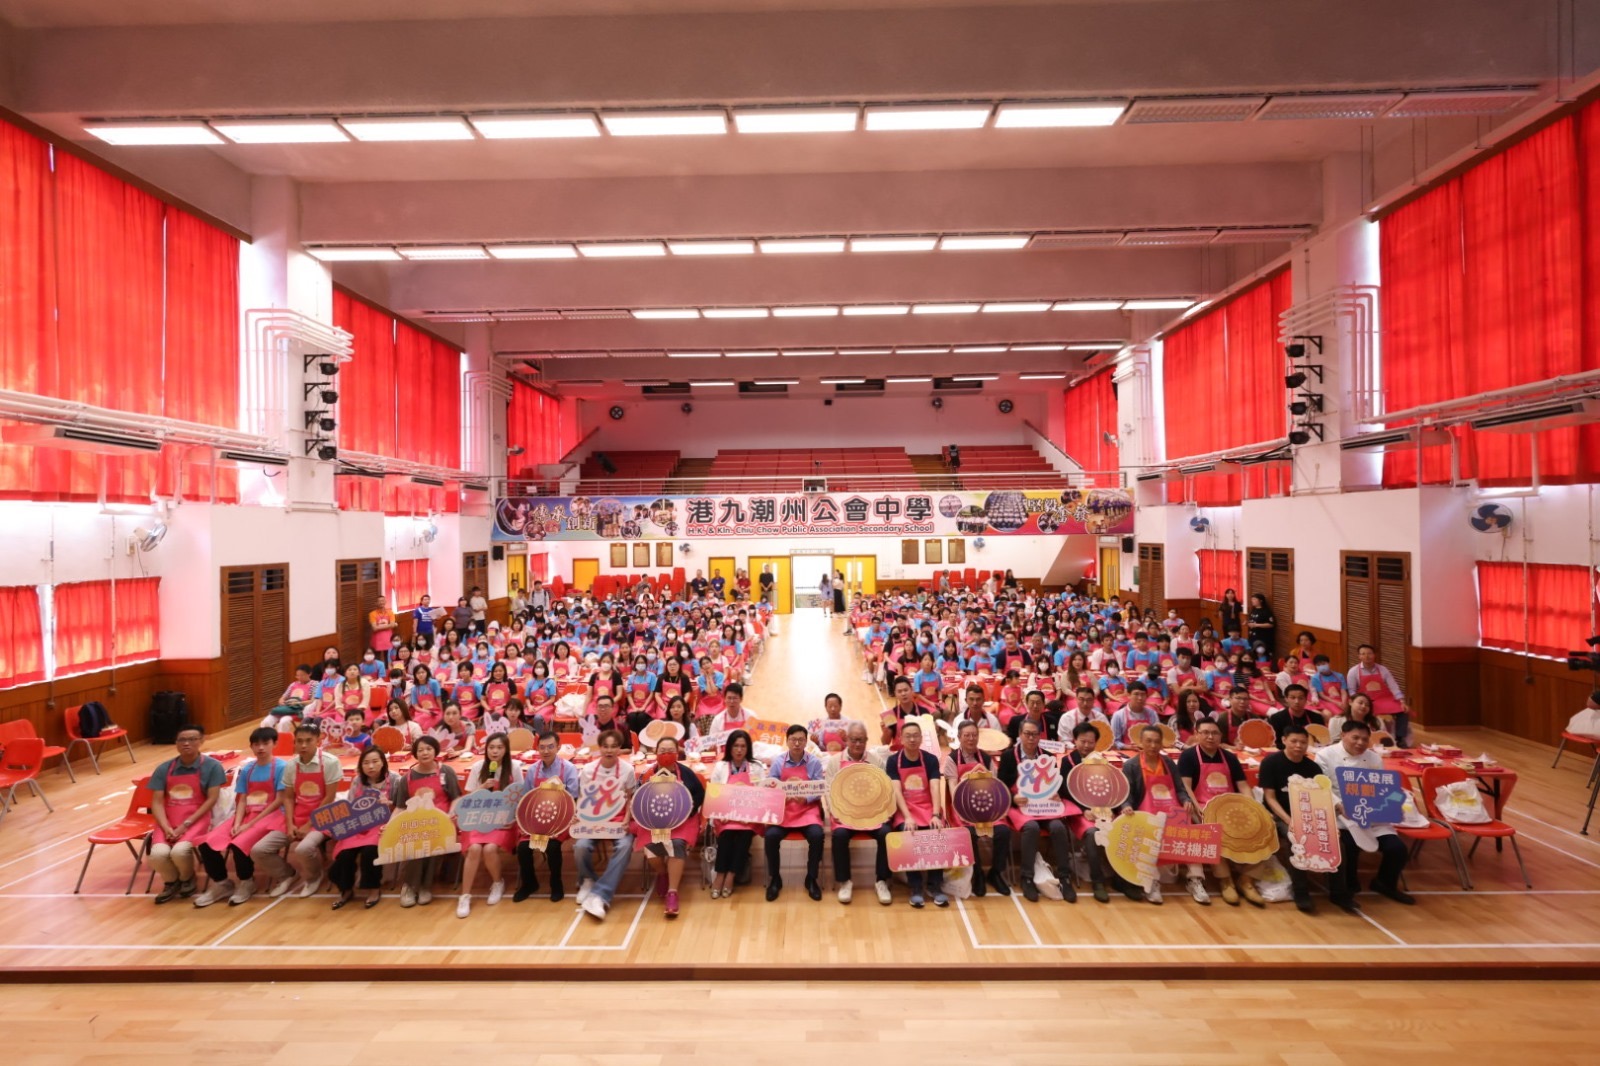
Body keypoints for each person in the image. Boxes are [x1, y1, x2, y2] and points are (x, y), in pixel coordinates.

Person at [1315, 719, 1415, 907]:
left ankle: (1385, 883)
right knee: (1349, 846)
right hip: (1340, 815)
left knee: (1397, 849)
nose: (1360, 743)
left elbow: (1380, 788)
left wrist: (1390, 803)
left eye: (1364, 739)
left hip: (1371, 815)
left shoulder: (1374, 758)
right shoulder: (1325, 755)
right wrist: (1338, 805)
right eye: (1355, 738)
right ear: (1343, 735)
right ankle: (1347, 886)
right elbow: (1321, 786)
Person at [194, 728, 287, 908]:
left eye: (265, 743)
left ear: (274, 744)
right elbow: (242, 799)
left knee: (239, 842)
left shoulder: (282, 767)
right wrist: (237, 822)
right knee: (206, 843)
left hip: (272, 816)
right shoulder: (248, 769)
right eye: (256, 744)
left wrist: (249, 824)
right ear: (251, 746)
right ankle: (221, 883)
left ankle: (246, 882)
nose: (260, 748)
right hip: (247, 814)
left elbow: (279, 800)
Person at [1177, 718, 1263, 907]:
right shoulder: (1189, 756)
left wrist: (1252, 807)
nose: (1210, 737)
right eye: (1205, 732)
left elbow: (1243, 786)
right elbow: (1186, 787)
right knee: (1213, 830)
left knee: (1264, 830)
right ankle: (1226, 880)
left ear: (1220, 736)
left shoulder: (1230, 757)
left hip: (1231, 808)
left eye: (1214, 733)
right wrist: (1198, 808)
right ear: (1197, 734)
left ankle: (1246, 879)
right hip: (1202, 806)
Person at [251, 723, 342, 899]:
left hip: (323, 816)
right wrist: (290, 824)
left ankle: (314, 877)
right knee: (259, 850)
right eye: (299, 741)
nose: (303, 745)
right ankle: (287, 874)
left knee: (303, 849)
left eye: (308, 741)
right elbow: (288, 798)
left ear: (318, 741)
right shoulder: (291, 765)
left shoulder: (330, 762)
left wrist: (308, 825)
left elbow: (329, 798)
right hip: (296, 816)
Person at [1121, 724, 1208, 905]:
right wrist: (1127, 806)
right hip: (1145, 814)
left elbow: (1180, 788)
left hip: (1172, 812)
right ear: (1140, 743)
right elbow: (1127, 793)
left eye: (1157, 742)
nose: (1153, 745)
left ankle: (1195, 880)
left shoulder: (1168, 763)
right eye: (1148, 741)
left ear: (1162, 743)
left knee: (1191, 833)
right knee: (1147, 836)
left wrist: (1185, 800)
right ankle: (1152, 882)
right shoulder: (1131, 765)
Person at [1257, 724, 1331, 914]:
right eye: (1294, 741)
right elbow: (1270, 798)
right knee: (1296, 840)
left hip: (1308, 815)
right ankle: (1301, 891)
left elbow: (1319, 798)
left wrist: (1325, 823)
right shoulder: (1271, 763)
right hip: (1279, 815)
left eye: (1303, 742)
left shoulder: (1312, 767)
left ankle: (1338, 891)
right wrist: (1291, 821)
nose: (1299, 746)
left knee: (1337, 842)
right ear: (1284, 741)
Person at [148, 726, 226, 904]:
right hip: (168, 821)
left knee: (180, 851)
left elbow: (212, 799)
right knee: (157, 855)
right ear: (176, 743)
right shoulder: (164, 769)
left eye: (192, 739)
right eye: (182, 740)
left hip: (197, 819)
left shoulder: (212, 766)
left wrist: (186, 824)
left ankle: (187, 879)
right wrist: (166, 827)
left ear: (201, 741)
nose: (186, 743)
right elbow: (157, 803)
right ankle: (171, 881)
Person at [825, 721, 895, 905]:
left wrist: (884, 811)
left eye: (861, 740)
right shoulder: (835, 761)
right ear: (847, 740)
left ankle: (881, 881)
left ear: (866, 740)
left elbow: (886, 788)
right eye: (854, 740)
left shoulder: (876, 760)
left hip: (872, 815)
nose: (857, 744)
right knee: (840, 835)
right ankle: (845, 881)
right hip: (845, 815)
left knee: (886, 833)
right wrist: (836, 812)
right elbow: (828, 790)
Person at [634, 735, 704, 919]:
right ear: (655, 753)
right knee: (650, 847)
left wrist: (689, 810)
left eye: (670, 751)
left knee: (677, 843)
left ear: (677, 753)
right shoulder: (647, 774)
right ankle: (662, 873)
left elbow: (699, 794)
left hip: (683, 821)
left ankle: (672, 892)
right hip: (654, 820)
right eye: (662, 751)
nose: (666, 754)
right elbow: (638, 798)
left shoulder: (687, 773)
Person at [391, 735, 462, 908]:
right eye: (420, 750)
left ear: (435, 751)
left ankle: (424, 886)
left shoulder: (446, 772)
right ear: (415, 753)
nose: (425, 753)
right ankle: (409, 886)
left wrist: (451, 813)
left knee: (432, 840)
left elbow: (456, 798)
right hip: (416, 822)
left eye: (429, 749)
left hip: (443, 821)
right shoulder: (406, 778)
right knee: (418, 841)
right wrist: (390, 826)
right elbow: (400, 807)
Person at [944, 720, 1012, 897]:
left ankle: (995, 873)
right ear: (959, 737)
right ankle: (978, 873)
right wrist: (964, 808)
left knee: (1003, 831)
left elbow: (994, 786)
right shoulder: (952, 759)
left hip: (986, 806)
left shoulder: (986, 758)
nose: (971, 739)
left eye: (974, 735)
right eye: (967, 735)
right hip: (962, 808)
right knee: (969, 833)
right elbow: (953, 791)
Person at [575, 729, 638, 921]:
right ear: (599, 747)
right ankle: (588, 879)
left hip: (618, 820)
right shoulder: (588, 770)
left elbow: (631, 798)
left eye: (614, 747)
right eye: (605, 746)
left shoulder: (627, 770)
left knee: (625, 846)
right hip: (593, 819)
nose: (609, 750)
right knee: (580, 846)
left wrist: (627, 818)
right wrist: (579, 817)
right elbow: (583, 798)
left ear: (620, 749)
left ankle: (600, 893)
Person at [455, 733, 519, 918]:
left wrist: (513, 819)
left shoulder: (514, 767)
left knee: (490, 849)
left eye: (499, 747)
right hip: (478, 817)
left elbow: (519, 796)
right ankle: (465, 896)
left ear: (506, 750)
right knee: (474, 848)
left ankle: (498, 883)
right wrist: (482, 787)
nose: (495, 751)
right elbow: (467, 799)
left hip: (503, 819)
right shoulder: (478, 767)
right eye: (491, 747)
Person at [514, 730, 580, 903]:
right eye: (542, 747)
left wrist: (562, 819)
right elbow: (527, 799)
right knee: (523, 848)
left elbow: (572, 798)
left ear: (558, 747)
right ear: (537, 749)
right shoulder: (532, 770)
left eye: (550, 747)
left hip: (561, 819)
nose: (546, 751)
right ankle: (529, 884)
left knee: (552, 846)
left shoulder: (569, 768)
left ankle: (556, 884)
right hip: (537, 820)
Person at [886, 721, 947, 908]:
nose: (912, 739)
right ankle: (916, 887)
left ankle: (935, 885)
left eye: (915, 735)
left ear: (921, 738)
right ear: (901, 739)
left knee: (937, 832)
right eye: (908, 736)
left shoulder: (930, 759)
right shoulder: (893, 761)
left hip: (928, 807)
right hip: (905, 809)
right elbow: (896, 791)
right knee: (908, 833)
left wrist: (935, 814)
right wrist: (907, 817)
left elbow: (935, 787)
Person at [763, 724, 827, 902]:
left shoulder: (814, 762)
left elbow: (819, 788)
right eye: (793, 740)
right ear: (787, 741)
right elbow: (770, 786)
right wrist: (781, 795)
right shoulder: (778, 762)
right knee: (771, 836)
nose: (797, 743)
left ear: (806, 742)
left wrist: (806, 798)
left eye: (801, 740)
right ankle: (775, 878)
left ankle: (811, 878)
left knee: (817, 835)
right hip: (783, 812)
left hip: (807, 810)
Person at [328, 746, 394, 910]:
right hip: (359, 823)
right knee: (345, 854)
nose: (370, 766)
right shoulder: (357, 781)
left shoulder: (395, 779)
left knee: (370, 852)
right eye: (366, 763)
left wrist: (389, 804)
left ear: (383, 762)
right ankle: (346, 890)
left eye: (375, 761)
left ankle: (374, 889)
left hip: (383, 824)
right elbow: (350, 805)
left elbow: (401, 806)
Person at [1061, 722, 1120, 902]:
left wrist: (1113, 809)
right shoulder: (1067, 762)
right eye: (1082, 741)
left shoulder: (1101, 761)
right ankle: (1098, 881)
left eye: (1090, 742)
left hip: (1101, 809)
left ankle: (1122, 879)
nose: (1086, 746)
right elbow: (1064, 792)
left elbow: (1111, 788)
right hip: (1078, 812)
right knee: (1093, 833)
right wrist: (1083, 810)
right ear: (1075, 740)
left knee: (1121, 826)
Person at [708, 729, 766, 899]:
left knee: (744, 834)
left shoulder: (757, 767)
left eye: (743, 746)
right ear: (729, 748)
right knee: (727, 833)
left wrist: (749, 814)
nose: (739, 750)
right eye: (735, 746)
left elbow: (762, 794)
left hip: (749, 815)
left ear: (748, 748)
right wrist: (721, 814)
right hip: (725, 813)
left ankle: (731, 876)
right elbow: (714, 794)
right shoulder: (720, 767)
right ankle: (720, 875)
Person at [1347, 644, 1413, 746]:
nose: (1366, 656)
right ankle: (1375, 738)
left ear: (1374, 655)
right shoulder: (1353, 671)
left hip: (1385, 699)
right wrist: (1358, 702)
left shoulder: (1383, 669)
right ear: (1359, 656)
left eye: (1369, 653)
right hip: (1367, 701)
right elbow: (1352, 690)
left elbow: (1394, 686)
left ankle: (1400, 738)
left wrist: (1402, 701)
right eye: (1363, 654)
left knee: (1403, 711)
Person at [1109, 682, 1159, 746]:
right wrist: (1126, 747)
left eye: (1143, 694)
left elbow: (1157, 736)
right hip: (1127, 750)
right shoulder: (1118, 715)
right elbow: (1115, 741)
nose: (1140, 698)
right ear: (1128, 695)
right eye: (1136, 694)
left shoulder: (1152, 714)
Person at [1246, 593, 1277, 659]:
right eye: (1252, 599)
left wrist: (1256, 625)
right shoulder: (1253, 610)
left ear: (1261, 600)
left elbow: (1271, 624)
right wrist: (1247, 623)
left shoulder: (1266, 611)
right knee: (1253, 653)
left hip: (1262, 637)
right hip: (1252, 636)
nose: (1252, 601)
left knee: (1261, 653)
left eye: (1254, 599)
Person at [369, 597, 397, 664]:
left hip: (388, 639)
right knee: (377, 658)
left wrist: (379, 626)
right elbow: (374, 628)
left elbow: (392, 625)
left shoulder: (390, 612)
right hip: (377, 639)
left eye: (383, 600)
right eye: (380, 601)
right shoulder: (372, 614)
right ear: (376, 603)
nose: (381, 602)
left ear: (385, 602)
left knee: (388, 658)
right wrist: (389, 625)